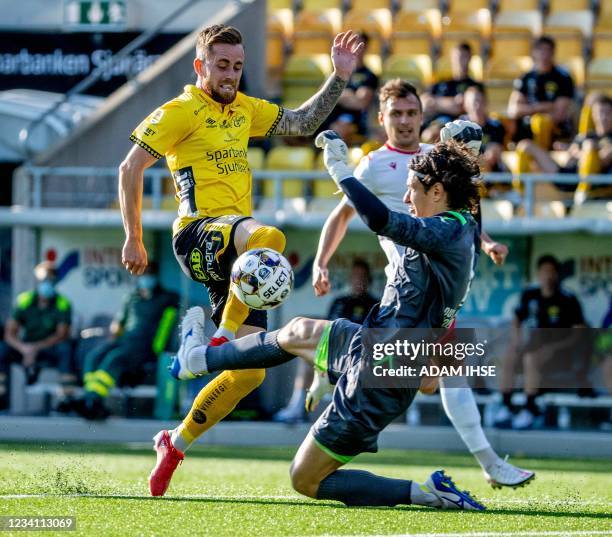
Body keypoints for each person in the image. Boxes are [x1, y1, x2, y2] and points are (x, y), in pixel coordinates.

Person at [169, 137, 490, 510]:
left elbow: (380, 219)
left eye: (411, 190)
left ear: (437, 191)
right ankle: (198, 359)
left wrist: (341, 172)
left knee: (304, 479)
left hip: (379, 376)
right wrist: (453, 147)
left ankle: (427, 493)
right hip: (373, 344)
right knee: (297, 331)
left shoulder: (445, 231)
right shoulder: (460, 225)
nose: (406, 199)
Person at [118, 24, 363, 494]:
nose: (230, 75)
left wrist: (339, 76)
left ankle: (176, 440)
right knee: (268, 234)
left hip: (236, 257)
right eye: (221, 65)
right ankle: (216, 341)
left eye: (236, 66)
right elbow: (130, 167)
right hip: (198, 235)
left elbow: (301, 123)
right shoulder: (181, 110)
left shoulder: (244, 109)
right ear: (200, 66)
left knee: (247, 371)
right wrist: (133, 237)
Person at [311, 81, 531, 488]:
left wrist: (485, 242)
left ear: (422, 116)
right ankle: (484, 463)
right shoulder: (373, 165)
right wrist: (320, 262)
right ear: (382, 119)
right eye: (397, 114)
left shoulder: (435, 160)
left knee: (444, 371)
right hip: (407, 286)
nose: (407, 121)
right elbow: (343, 214)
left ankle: (488, 462)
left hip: (430, 283)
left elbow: (459, 215)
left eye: (412, 113)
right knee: (428, 372)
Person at [273, 258, 378, 423]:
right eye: (355, 276)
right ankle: (297, 407)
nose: (357, 280)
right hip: (332, 355)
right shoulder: (340, 302)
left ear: (368, 280)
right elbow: (325, 332)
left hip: (360, 359)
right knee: (305, 357)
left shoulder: (375, 305)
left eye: (361, 276)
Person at [75, 262, 179, 420]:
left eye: (150, 273)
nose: (146, 277)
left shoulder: (167, 298)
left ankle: (93, 401)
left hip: (146, 347)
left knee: (113, 359)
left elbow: (172, 322)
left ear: (156, 275)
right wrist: (113, 332)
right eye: (143, 273)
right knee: (93, 357)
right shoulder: (131, 297)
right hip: (125, 341)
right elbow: (119, 324)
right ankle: (91, 399)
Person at [495, 254, 587, 430]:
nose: (548, 276)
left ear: (557, 274)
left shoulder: (567, 299)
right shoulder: (530, 295)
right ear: (538, 274)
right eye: (544, 271)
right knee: (509, 354)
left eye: (552, 272)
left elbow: (579, 334)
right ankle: (505, 406)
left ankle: (530, 409)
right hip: (533, 349)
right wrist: (516, 340)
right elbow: (517, 319)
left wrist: (553, 348)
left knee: (531, 358)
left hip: (560, 355)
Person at [0, 261, 74, 411]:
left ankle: (66, 398)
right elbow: (9, 332)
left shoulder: (62, 303)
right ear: (37, 281)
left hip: (48, 349)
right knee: (2, 349)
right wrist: (24, 348)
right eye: (43, 280)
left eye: (50, 280)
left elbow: (61, 335)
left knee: (65, 349)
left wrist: (35, 348)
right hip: (25, 349)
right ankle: (1, 394)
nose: (46, 284)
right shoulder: (25, 300)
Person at [515, 94, 612, 199]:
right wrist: (573, 150)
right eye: (600, 113)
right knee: (525, 145)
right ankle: (519, 193)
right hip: (567, 175)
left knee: (589, 145)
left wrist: (584, 152)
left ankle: (583, 192)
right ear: (593, 115)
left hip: (590, 182)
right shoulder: (585, 136)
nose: (603, 117)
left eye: (607, 113)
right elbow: (570, 156)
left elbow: (603, 159)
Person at [508, 36, 575, 149]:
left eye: (548, 50)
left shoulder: (563, 78)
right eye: (540, 50)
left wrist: (529, 111)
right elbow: (513, 110)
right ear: (533, 52)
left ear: (553, 52)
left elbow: (559, 114)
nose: (544, 54)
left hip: (553, 131)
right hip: (526, 130)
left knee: (541, 122)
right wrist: (542, 107)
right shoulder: (525, 78)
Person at [320, 32, 379, 144]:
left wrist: (335, 95)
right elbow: (321, 96)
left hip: (353, 120)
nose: (356, 47)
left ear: (366, 48)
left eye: (360, 45)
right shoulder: (336, 72)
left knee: (338, 130)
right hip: (330, 117)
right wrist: (348, 95)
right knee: (294, 132)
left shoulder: (369, 76)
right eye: (353, 44)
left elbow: (360, 102)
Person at [421, 42, 481, 141]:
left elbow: (460, 108)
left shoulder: (475, 85)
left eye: (463, 57)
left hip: (464, 124)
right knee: (429, 135)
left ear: (470, 58)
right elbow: (425, 102)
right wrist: (449, 103)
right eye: (456, 57)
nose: (459, 61)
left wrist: (436, 103)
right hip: (440, 122)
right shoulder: (442, 83)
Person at [462, 85, 506, 173]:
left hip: (491, 175)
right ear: (466, 105)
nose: (477, 106)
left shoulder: (496, 126)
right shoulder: (458, 128)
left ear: (486, 103)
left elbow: (492, 155)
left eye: (480, 102)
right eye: (473, 103)